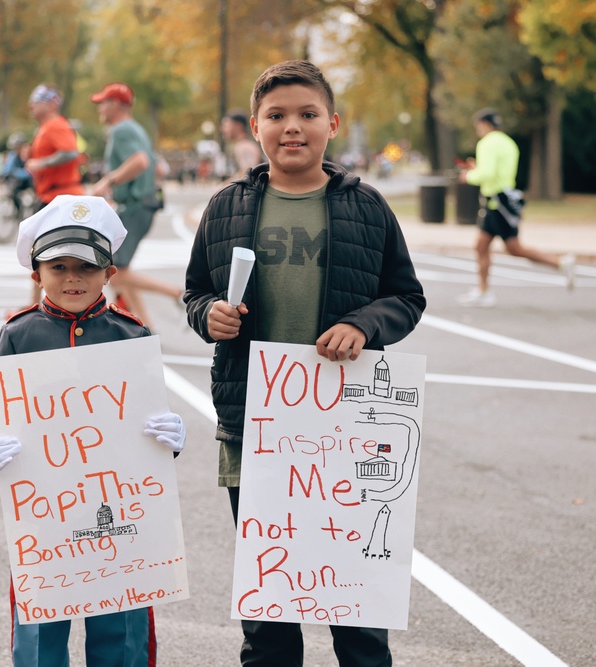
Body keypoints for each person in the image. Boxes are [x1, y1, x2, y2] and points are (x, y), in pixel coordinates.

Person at [183, 59, 427, 667]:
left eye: (307, 114)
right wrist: (208, 313)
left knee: (357, 607)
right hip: (256, 430)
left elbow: (407, 298)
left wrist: (362, 325)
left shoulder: (366, 209)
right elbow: (194, 292)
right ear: (256, 129)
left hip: (344, 430)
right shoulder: (227, 208)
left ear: (332, 124)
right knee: (269, 605)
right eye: (277, 116)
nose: (292, 127)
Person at [0, 194, 187, 667]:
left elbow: (151, 428)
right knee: (39, 633)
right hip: (46, 519)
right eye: (58, 267)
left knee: (123, 633)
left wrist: (173, 436)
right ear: (36, 275)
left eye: (87, 268)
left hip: (122, 517)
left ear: (109, 273)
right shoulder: (19, 335)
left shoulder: (133, 336)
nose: (73, 279)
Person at [457, 107, 575, 307]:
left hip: (496, 203)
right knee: (482, 246)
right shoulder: (508, 143)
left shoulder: (487, 143)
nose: (478, 130)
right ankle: (483, 290)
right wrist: (478, 169)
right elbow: (498, 171)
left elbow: (488, 174)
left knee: (513, 248)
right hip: (504, 199)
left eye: (478, 126)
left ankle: (561, 264)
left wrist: (468, 176)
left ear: (484, 124)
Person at [90, 82, 183, 332]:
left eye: (103, 102)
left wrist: (109, 182)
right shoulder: (137, 130)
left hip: (135, 207)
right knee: (120, 270)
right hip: (140, 204)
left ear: (117, 105)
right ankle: (146, 329)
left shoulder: (122, 131)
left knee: (113, 272)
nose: (99, 107)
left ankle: (175, 292)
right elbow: (158, 167)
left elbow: (141, 161)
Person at [23, 84, 87, 307]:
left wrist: (40, 163)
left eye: (36, 101)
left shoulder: (55, 125)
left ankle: (49, 304)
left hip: (60, 198)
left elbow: (70, 152)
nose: (31, 105)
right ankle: (35, 304)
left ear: (50, 104)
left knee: (53, 254)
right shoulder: (45, 127)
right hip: (53, 196)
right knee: (41, 252)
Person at [220, 109, 263, 181]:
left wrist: (223, 187)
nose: (222, 129)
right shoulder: (242, 145)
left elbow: (248, 174)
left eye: (226, 125)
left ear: (238, 126)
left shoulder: (245, 147)